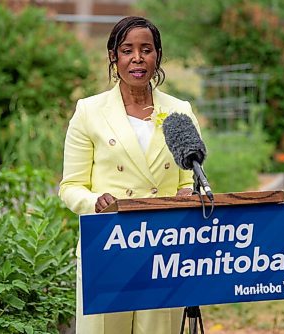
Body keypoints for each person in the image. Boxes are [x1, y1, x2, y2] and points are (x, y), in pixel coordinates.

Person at [59, 16, 201, 334]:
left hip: (164, 249)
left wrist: (189, 194)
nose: (137, 58)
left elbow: (189, 179)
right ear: (114, 56)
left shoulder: (180, 111)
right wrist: (95, 201)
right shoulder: (89, 112)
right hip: (108, 244)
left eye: (146, 49)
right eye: (127, 50)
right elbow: (70, 186)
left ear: (157, 56)